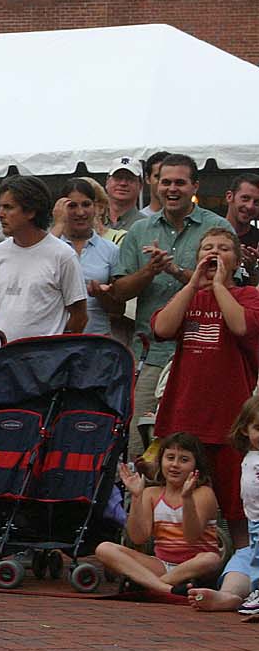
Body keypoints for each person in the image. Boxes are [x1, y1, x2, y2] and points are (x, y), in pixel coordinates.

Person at [110, 153, 232, 458]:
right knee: (142, 442)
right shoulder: (139, 231)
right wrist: (149, 270)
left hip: (201, 352)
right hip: (151, 352)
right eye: (165, 182)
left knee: (196, 440)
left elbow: (227, 287)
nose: (171, 188)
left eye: (180, 182)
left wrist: (176, 271)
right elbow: (119, 292)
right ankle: (140, 503)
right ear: (154, 184)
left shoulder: (215, 227)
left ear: (195, 185)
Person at [150, 227, 259, 544]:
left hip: (230, 421)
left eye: (223, 248)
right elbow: (162, 327)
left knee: (237, 510)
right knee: (183, 501)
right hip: (186, 417)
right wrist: (194, 284)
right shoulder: (189, 297)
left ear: (236, 260)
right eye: (207, 248)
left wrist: (221, 284)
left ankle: (245, 572)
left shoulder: (247, 295)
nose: (214, 253)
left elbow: (240, 325)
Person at [0, 175, 87, 362]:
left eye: (8, 207)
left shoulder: (62, 255)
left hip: (43, 367)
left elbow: (79, 315)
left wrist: (54, 352)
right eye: (0, 207)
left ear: (30, 212)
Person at [100, 434, 222, 596]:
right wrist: (137, 497)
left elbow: (192, 537)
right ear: (161, 461)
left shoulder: (203, 493)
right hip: (162, 564)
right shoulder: (151, 493)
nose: (175, 465)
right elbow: (138, 538)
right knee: (104, 548)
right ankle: (166, 588)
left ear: (195, 466)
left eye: (184, 460)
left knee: (210, 559)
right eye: (170, 458)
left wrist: (186, 499)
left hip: (195, 565)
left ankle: (148, 586)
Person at [189, 396, 259, 614]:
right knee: (252, 559)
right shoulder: (248, 457)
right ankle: (231, 597)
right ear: (245, 429)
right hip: (254, 523)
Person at [56, 179, 121, 337]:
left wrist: (101, 295)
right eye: (72, 206)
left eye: (86, 204)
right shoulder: (51, 247)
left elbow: (119, 309)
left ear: (95, 207)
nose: (80, 212)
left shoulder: (110, 250)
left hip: (97, 340)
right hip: (56, 339)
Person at [222, 172, 259, 278]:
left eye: (257, 202)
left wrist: (253, 270)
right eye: (245, 198)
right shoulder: (208, 235)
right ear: (229, 197)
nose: (250, 206)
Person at [107, 158, 146, 230]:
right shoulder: (92, 222)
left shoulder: (147, 226)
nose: (123, 183)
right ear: (107, 182)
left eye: (130, 179)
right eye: (118, 178)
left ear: (140, 186)